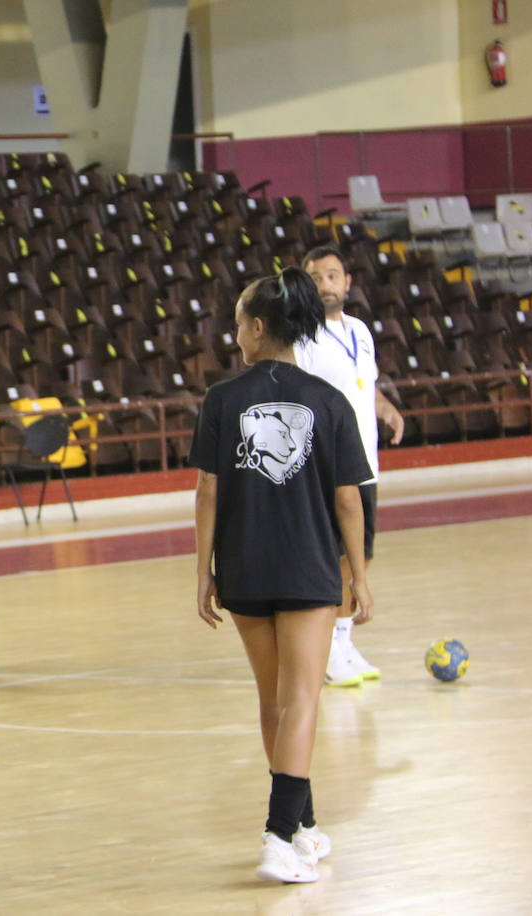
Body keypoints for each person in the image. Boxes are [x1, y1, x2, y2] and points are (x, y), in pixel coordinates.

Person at [191, 269, 374, 884]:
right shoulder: (329, 400)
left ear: (259, 326)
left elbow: (207, 492)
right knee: (300, 702)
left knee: (274, 701)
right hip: (307, 566)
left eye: (239, 320)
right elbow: (349, 500)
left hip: (243, 568)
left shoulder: (221, 399)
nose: (234, 331)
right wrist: (360, 574)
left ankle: (303, 825)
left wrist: (203, 572)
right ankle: (276, 835)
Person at [296, 245, 403, 687]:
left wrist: (386, 408)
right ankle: (327, 650)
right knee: (338, 557)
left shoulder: (360, 329)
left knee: (363, 554)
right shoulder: (301, 335)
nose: (325, 285)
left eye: (332, 276)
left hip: (366, 460)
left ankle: (341, 643)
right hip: (327, 465)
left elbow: (367, 383)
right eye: (317, 278)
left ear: (348, 281)